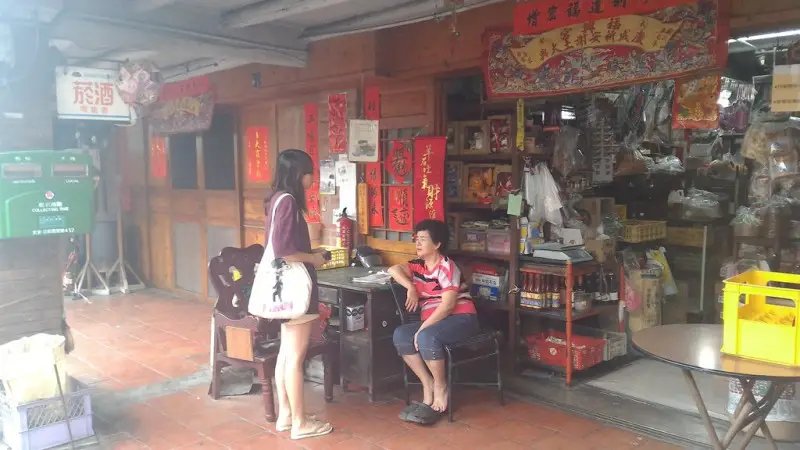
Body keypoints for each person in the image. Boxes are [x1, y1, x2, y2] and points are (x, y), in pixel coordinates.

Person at [264, 149, 332, 440]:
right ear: (298, 174)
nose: (311, 179)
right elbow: (284, 251)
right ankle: (301, 424)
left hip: (282, 287)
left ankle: (286, 416)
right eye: (308, 173)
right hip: (295, 288)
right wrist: (313, 259)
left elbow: (284, 247)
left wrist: (310, 253)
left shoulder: (276, 199)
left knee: (284, 355)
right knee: (295, 357)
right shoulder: (289, 202)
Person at [388, 219, 480, 420]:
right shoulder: (418, 265)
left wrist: (423, 329)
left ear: (437, 244)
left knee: (426, 337)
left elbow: (447, 306)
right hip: (436, 322)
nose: (418, 243)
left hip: (461, 318)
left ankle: (441, 387)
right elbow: (393, 270)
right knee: (401, 335)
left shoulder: (447, 267)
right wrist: (411, 287)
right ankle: (427, 383)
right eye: (416, 239)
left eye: (423, 239)